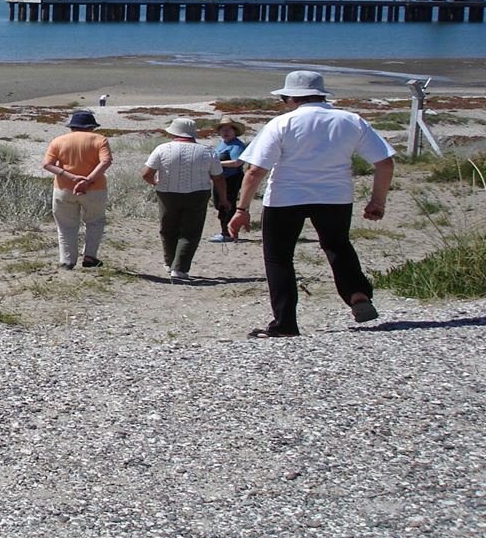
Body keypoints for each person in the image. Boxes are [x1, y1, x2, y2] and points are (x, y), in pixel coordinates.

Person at [229, 71, 395, 339]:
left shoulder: (281, 124)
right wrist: (377, 201)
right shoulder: (351, 120)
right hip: (334, 196)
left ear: (291, 98)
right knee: (337, 245)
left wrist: (241, 209)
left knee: (279, 258)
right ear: (321, 95)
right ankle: (357, 294)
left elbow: (255, 171)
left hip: (285, 198)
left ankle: (285, 324)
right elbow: (385, 162)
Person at [142, 118, 227, 281]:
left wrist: (155, 184)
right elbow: (219, 178)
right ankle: (180, 268)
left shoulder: (162, 149)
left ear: (173, 132)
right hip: (198, 194)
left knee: (168, 228)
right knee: (190, 231)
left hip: (167, 193)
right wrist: (223, 199)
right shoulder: (207, 151)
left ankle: (170, 262)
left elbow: (146, 173)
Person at [42, 110, 113, 269]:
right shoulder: (100, 140)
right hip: (95, 188)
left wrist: (70, 176)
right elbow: (106, 161)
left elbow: (47, 164)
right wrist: (88, 180)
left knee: (66, 225)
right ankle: (89, 256)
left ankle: (67, 261)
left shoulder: (59, 141)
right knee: (95, 222)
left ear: (72, 126)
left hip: (63, 188)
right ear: (91, 127)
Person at [208, 116, 247, 242]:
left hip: (231, 178)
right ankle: (226, 231)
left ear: (235, 131)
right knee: (220, 204)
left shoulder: (237, 145)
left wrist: (217, 164)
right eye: (223, 130)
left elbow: (237, 162)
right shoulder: (222, 144)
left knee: (227, 204)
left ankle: (228, 233)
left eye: (228, 130)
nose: (225, 132)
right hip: (220, 178)